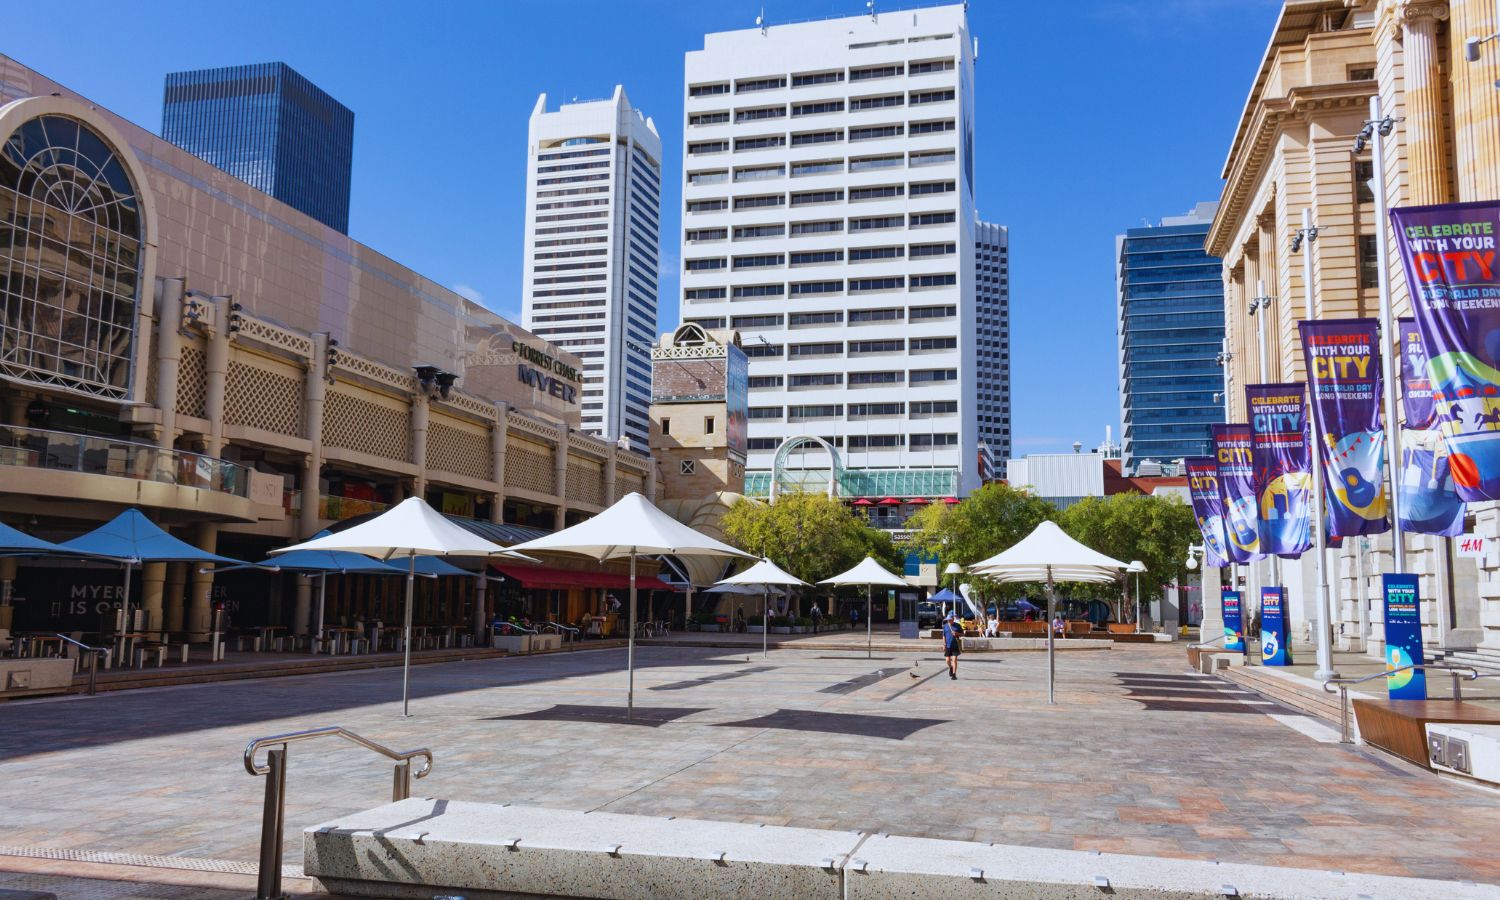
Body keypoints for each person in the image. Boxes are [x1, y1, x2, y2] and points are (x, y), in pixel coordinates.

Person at [942, 612, 962, 679]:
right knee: (947, 660)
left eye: (950, 619)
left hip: (955, 645)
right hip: (948, 645)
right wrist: (944, 644)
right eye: (948, 620)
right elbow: (944, 636)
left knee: (954, 659)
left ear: (953, 619)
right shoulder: (945, 626)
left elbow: (963, 634)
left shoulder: (958, 625)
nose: (949, 621)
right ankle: (951, 667)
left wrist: (956, 633)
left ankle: (954, 674)